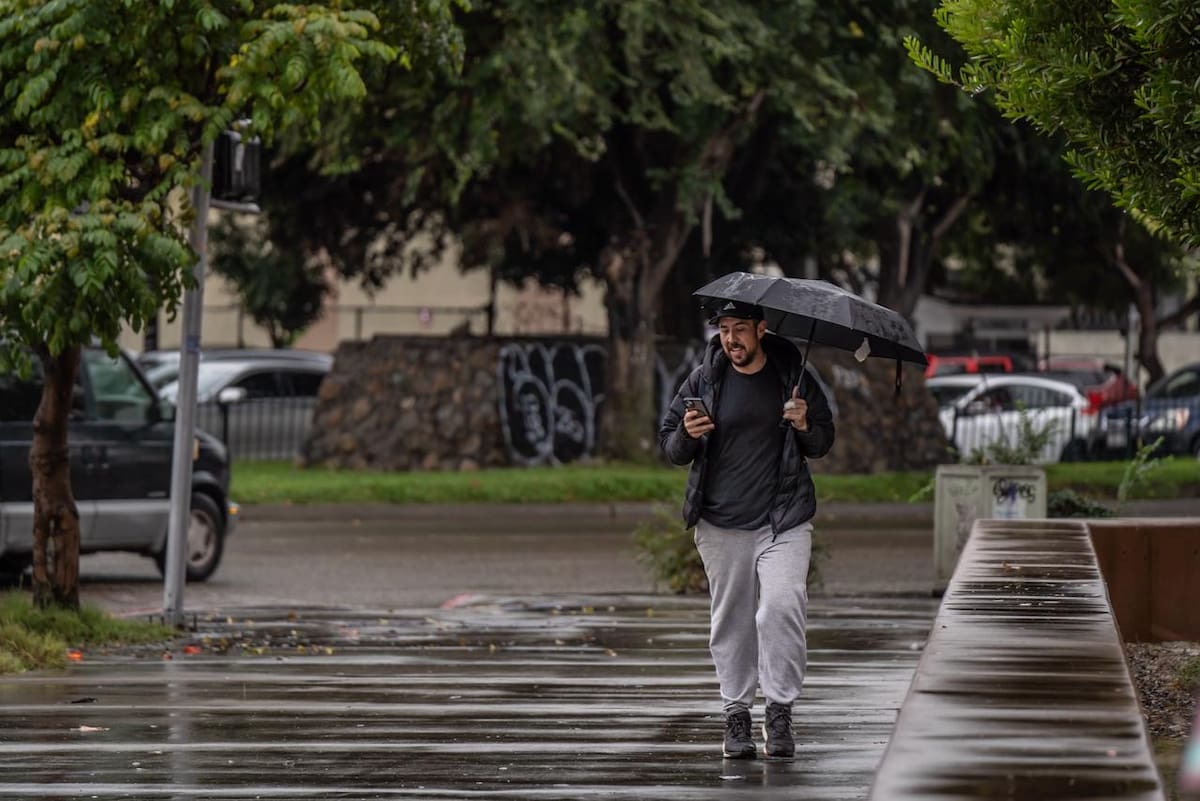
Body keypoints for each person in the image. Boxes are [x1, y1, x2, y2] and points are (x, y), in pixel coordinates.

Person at [658, 299, 835, 760]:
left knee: (781, 607)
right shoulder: (704, 379)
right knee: (732, 622)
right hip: (721, 523)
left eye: (739, 329)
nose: (730, 339)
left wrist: (804, 423)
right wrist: (688, 435)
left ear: (761, 329)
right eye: (723, 329)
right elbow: (670, 445)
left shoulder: (791, 376)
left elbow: (823, 441)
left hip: (783, 520)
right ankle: (736, 714)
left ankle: (778, 710)